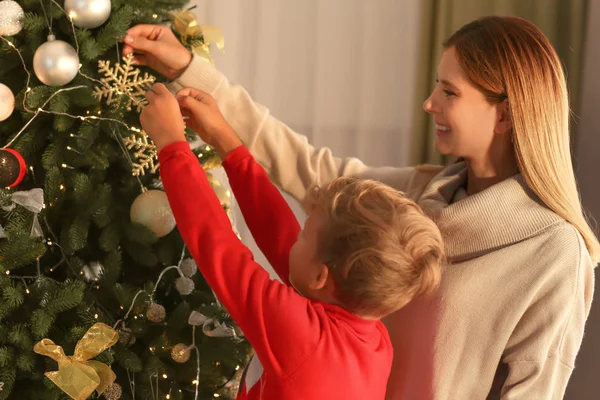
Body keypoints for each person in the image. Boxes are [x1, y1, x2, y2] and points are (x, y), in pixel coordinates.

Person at [125, 15, 599, 399]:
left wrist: (171, 146)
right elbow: (304, 179)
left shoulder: (554, 253)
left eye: (450, 92)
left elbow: (223, 250)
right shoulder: (413, 199)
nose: (428, 103)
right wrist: (191, 70)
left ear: (507, 114)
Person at [139, 83, 445, 399]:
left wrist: (172, 145)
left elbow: (219, 248)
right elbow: (278, 232)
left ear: (320, 276)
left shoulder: (305, 338)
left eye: (304, 234)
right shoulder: (370, 334)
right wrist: (226, 142)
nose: (293, 238)